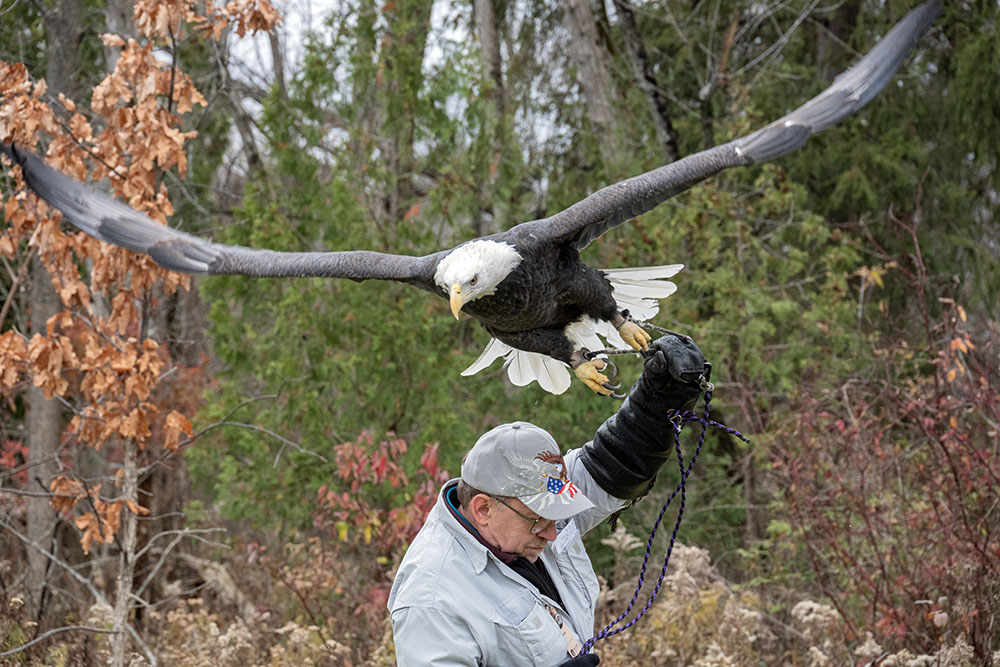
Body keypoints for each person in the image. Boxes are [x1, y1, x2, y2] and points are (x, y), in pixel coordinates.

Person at [387, 335, 710, 666]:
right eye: (539, 521)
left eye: (556, 517)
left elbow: (610, 468)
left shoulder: (531, 502)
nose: (553, 533)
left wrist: (656, 401)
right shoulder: (433, 599)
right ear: (483, 509)